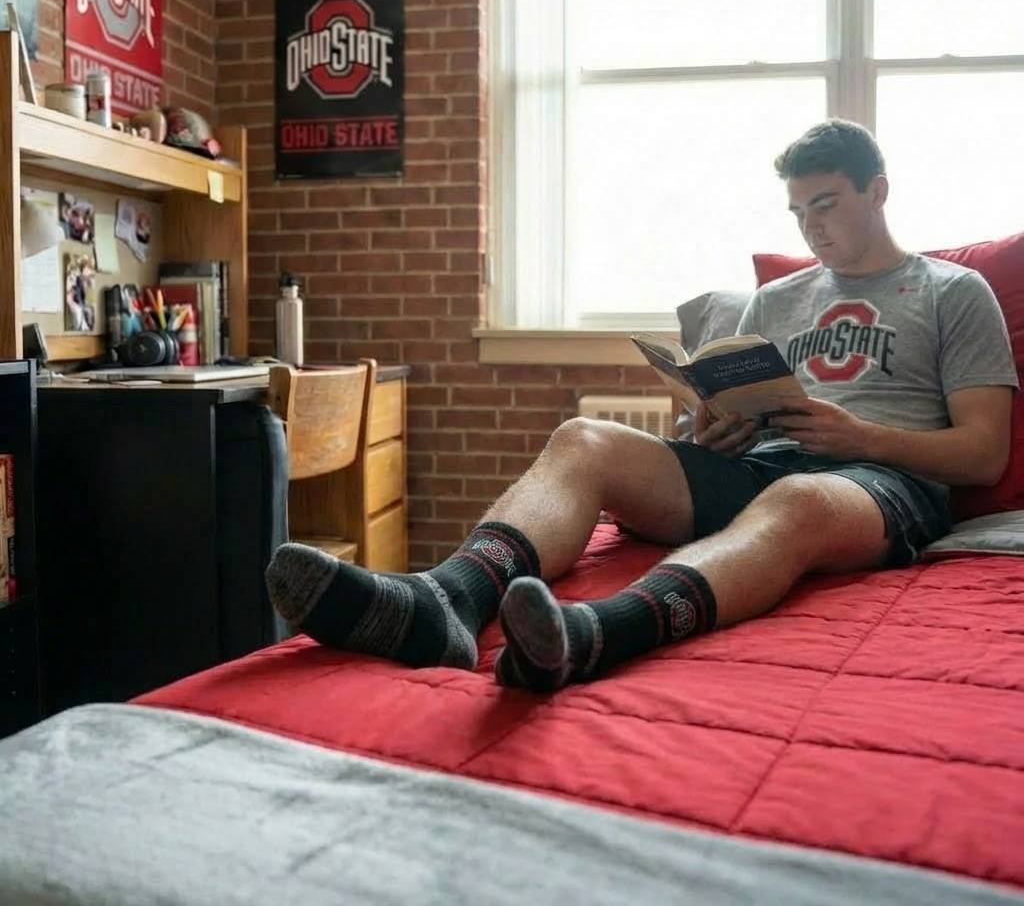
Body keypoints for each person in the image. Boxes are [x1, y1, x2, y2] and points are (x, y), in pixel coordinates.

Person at [266, 119, 1018, 692]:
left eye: (826, 204)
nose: (811, 227)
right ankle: (446, 602)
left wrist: (858, 435)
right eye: (797, 211)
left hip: (879, 487)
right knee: (583, 436)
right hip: (762, 465)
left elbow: (984, 454)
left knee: (800, 500)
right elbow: (731, 403)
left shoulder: (953, 292)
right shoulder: (776, 298)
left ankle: (596, 633)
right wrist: (712, 428)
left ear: (877, 190)